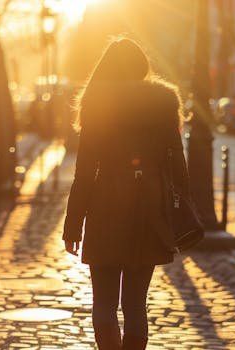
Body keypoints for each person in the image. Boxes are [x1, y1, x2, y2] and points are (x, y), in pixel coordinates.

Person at [62, 38, 186, 350]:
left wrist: (73, 225)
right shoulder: (164, 100)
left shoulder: (97, 101)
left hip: (106, 209)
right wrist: (179, 214)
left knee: (103, 304)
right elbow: (178, 167)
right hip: (150, 210)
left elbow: (85, 172)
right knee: (135, 305)